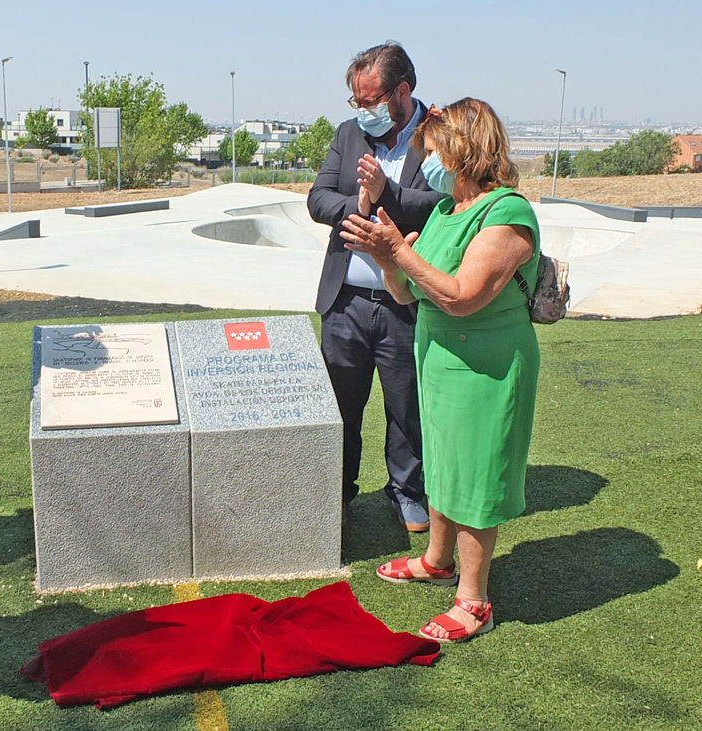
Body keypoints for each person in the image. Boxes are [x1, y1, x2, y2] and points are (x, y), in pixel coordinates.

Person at [340, 98, 541, 643]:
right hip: (440, 356)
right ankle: (437, 559)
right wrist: (387, 258)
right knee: (444, 461)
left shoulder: (506, 212)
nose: (427, 159)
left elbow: (462, 297)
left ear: (464, 149)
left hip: (488, 365)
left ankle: (474, 601)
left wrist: (400, 256)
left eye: (433, 149)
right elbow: (408, 293)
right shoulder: (444, 212)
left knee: (475, 470)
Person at [307, 42, 446, 533]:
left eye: (370, 101)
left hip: (407, 302)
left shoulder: (441, 136)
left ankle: (407, 491)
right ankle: (337, 492)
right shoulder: (349, 136)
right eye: (356, 102)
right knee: (340, 404)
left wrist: (388, 195)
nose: (362, 111)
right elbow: (318, 198)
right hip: (344, 301)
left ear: (402, 92)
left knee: (405, 404)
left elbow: (444, 207)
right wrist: (360, 208)